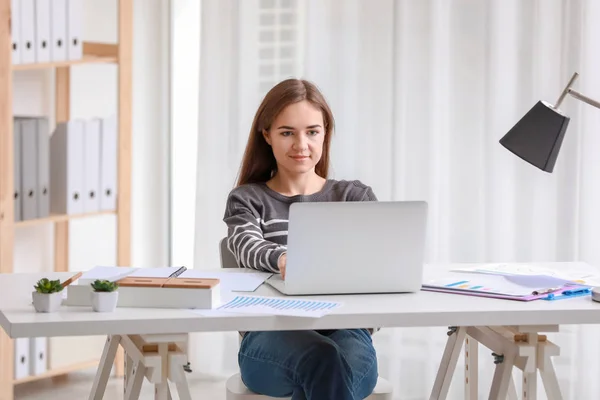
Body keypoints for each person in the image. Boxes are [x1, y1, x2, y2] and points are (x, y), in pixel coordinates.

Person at [223, 78, 379, 400]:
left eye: (312, 131)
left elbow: (377, 263)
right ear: (266, 135)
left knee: (327, 366)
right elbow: (245, 244)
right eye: (287, 133)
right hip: (269, 334)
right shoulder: (247, 199)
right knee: (322, 361)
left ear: (325, 133)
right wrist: (283, 259)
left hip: (347, 331)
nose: (301, 145)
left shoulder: (355, 197)